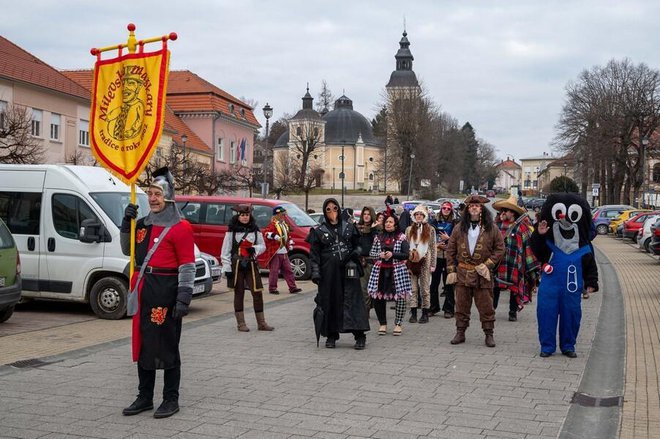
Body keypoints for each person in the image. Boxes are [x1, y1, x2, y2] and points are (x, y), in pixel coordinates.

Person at [120, 167, 195, 419]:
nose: (152, 198)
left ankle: (170, 398)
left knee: (168, 346)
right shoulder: (141, 225)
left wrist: (184, 296)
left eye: (158, 194)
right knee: (144, 345)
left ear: (169, 197)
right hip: (143, 289)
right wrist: (125, 224)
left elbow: (187, 265)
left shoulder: (181, 227)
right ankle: (144, 397)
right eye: (150, 193)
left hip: (166, 291)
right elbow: (126, 250)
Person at [530, 193, 598, 358]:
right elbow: (537, 251)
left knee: (572, 315)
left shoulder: (584, 247)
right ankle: (547, 346)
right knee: (546, 314)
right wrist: (539, 234)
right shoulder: (548, 242)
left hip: (572, 288)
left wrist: (591, 282)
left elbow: (590, 265)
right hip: (550, 286)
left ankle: (568, 345)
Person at [307, 198, 369, 349]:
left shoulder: (349, 227)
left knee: (353, 301)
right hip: (329, 273)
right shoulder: (319, 231)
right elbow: (314, 255)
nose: (332, 212)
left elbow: (361, 246)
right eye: (328, 209)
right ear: (324, 212)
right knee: (330, 302)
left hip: (349, 270)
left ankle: (359, 336)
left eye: (334, 208)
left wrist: (355, 253)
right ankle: (331, 335)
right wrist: (316, 273)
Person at [446, 195, 505, 347]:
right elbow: (451, 249)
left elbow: (500, 248)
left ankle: (489, 334)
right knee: (461, 306)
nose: (473, 208)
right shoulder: (459, 228)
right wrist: (451, 269)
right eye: (471, 205)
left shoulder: (492, 228)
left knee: (486, 306)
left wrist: (488, 265)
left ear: (481, 209)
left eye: (477, 206)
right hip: (462, 273)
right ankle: (460, 332)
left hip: (482, 273)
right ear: (467, 209)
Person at [220, 204, 273, 332]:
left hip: (251, 264)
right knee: (239, 293)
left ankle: (261, 323)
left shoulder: (255, 230)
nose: (245, 218)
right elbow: (225, 251)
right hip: (237, 265)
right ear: (238, 216)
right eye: (242, 215)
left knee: (257, 293)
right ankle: (241, 323)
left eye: (247, 215)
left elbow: (263, 246)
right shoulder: (231, 232)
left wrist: (254, 249)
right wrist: (226, 268)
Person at [492, 196, 540, 322]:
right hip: (498, 263)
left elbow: (528, 246)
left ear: (512, 212)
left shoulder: (521, 227)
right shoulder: (495, 226)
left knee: (514, 288)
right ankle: (491, 310)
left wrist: (530, 266)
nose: (502, 213)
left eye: (505, 210)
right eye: (502, 210)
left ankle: (512, 312)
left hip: (514, 262)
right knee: (494, 286)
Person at [368, 214, 412, 335]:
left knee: (400, 298)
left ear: (395, 224)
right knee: (378, 297)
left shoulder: (401, 237)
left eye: (391, 222)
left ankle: (398, 324)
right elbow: (372, 253)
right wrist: (379, 255)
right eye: (386, 222)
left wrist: (393, 254)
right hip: (380, 271)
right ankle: (382, 323)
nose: (388, 224)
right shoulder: (378, 237)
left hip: (397, 270)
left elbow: (406, 254)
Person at [405, 205, 436, 324]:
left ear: (424, 216)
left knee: (425, 288)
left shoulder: (430, 229)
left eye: (421, 214)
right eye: (417, 214)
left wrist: (433, 263)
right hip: (412, 260)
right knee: (413, 288)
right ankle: (413, 313)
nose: (418, 216)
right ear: (414, 216)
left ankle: (425, 312)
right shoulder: (409, 229)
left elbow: (433, 247)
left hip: (425, 260)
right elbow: (406, 245)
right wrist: (407, 260)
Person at [262, 206, 302, 295]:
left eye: (283, 215)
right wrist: (273, 236)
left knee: (288, 270)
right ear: (276, 215)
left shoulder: (284, 224)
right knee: (274, 271)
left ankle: (292, 287)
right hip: (276, 252)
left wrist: (290, 242)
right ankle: (272, 288)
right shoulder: (273, 224)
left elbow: (287, 235)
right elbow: (266, 233)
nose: (283, 216)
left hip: (284, 251)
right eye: (281, 215)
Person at [430, 201, 458, 318]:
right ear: (441, 209)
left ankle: (449, 309)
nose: (446, 210)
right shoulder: (434, 221)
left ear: (451, 210)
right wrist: (437, 245)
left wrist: (449, 239)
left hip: (449, 257)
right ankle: (433, 307)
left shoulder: (456, 222)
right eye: (444, 208)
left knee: (449, 284)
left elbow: (460, 240)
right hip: (436, 255)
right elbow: (429, 237)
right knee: (434, 284)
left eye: (448, 208)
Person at [357, 206, 381, 313]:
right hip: (361, 261)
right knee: (363, 289)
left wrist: (372, 230)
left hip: (373, 262)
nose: (366, 216)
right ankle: (365, 312)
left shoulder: (376, 228)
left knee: (373, 289)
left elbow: (377, 243)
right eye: (364, 214)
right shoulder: (358, 228)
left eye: (368, 214)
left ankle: (371, 308)